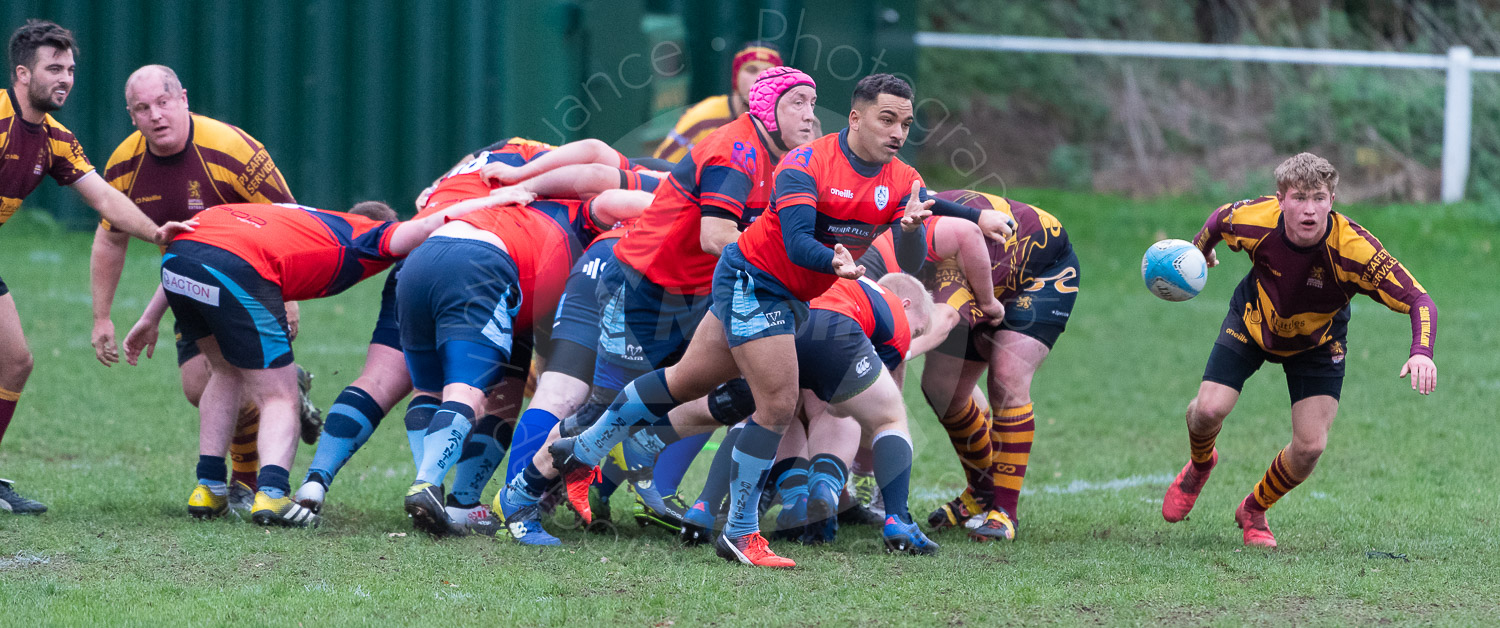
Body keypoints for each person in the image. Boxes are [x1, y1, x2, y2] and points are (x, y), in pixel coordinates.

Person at [544, 73, 1015, 568]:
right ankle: (738, 529)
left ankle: (585, 453)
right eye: (887, 119)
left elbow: (915, 242)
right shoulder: (798, 161)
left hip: (787, 296)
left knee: (705, 388)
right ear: (855, 118)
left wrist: (956, 220)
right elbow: (786, 242)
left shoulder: (901, 179)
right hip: (738, 283)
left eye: (906, 122)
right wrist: (833, 262)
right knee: (774, 405)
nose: (898, 131)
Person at [492, 66, 821, 546]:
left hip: (702, 292)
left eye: (814, 104)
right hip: (645, 290)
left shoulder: (788, 160)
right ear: (767, 109)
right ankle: (520, 497)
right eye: (798, 103)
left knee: (752, 391)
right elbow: (716, 236)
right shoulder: (737, 151)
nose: (810, 116)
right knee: (598, 413)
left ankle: (637, 448)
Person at [132, 192, 528, 527]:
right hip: (237, 265)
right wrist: (495, 200)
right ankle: (271, 495)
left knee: (224, 371)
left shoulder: (305, 216)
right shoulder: (371, 234)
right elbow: (426, 226)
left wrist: (150, 317)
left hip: (179, 258)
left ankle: (209, 488)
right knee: (281, 395)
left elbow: (199, 245)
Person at [1162, 152, 1436, 548]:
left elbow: (1419, 300)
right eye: (1300, 197)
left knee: (1311, 447)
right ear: (1280, 199)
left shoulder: (1354, 249)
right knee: (1207, 411)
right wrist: (1198, 252)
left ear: (1332, 200)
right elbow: (1219, 220)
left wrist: (1421, 351)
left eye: (1319, 198)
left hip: (1317, 343)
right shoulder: (1254, 220)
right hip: (1253, 322)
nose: (1310, 210)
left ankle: (1254, 509)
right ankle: (1201, 464)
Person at [93, 64, 319, 517]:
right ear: (131, 115)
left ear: (183, 99)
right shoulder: (123, 164)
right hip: (191, 287)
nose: (155, 115)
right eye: (142, 108)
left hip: (256, 285)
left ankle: (245, 482)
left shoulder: (233, 150)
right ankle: (275, 406)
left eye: (163, 102)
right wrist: (105, 316)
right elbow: (111, 239)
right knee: (201, 387)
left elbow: (291, 222)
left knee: (240, 382)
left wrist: (290, 297)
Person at [0, 20, 191, 514]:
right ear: (22, 74)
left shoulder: (56, 141)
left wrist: (154, 232)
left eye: (70, 69)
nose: (64, 78)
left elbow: (106, 196)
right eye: (53, 69)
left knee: (15, 361)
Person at [909, 190, 1079, 543]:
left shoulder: (942, 255)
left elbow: (942, 322)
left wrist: (898, 350)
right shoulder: (881, 233)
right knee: (942, 388)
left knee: (1005, 376)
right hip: (983, 270)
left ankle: (1004, 512)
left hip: (1041, 268)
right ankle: (981, 493)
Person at [652, 42, 782, 162]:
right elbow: (658, 167)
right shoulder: (704, 118)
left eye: (769, 72)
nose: (759, 79)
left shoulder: (788, 125)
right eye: (751, 70)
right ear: (736, 76)